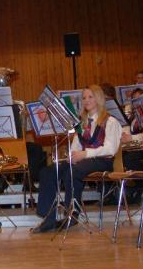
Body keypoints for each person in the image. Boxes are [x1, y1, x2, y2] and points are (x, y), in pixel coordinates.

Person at [33, 85, 121, 233]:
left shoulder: (110, 121)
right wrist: (72, 156)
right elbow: (76, 146)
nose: (86, 100)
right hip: (83, 160)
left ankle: (72, 215)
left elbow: (110, 149)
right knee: (48, 172)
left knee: (72, 172)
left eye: (90, 97)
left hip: (102, 161)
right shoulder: (81, 123)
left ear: (99, 98)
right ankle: (48, 218)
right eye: (84, 97)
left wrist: (85, 154)